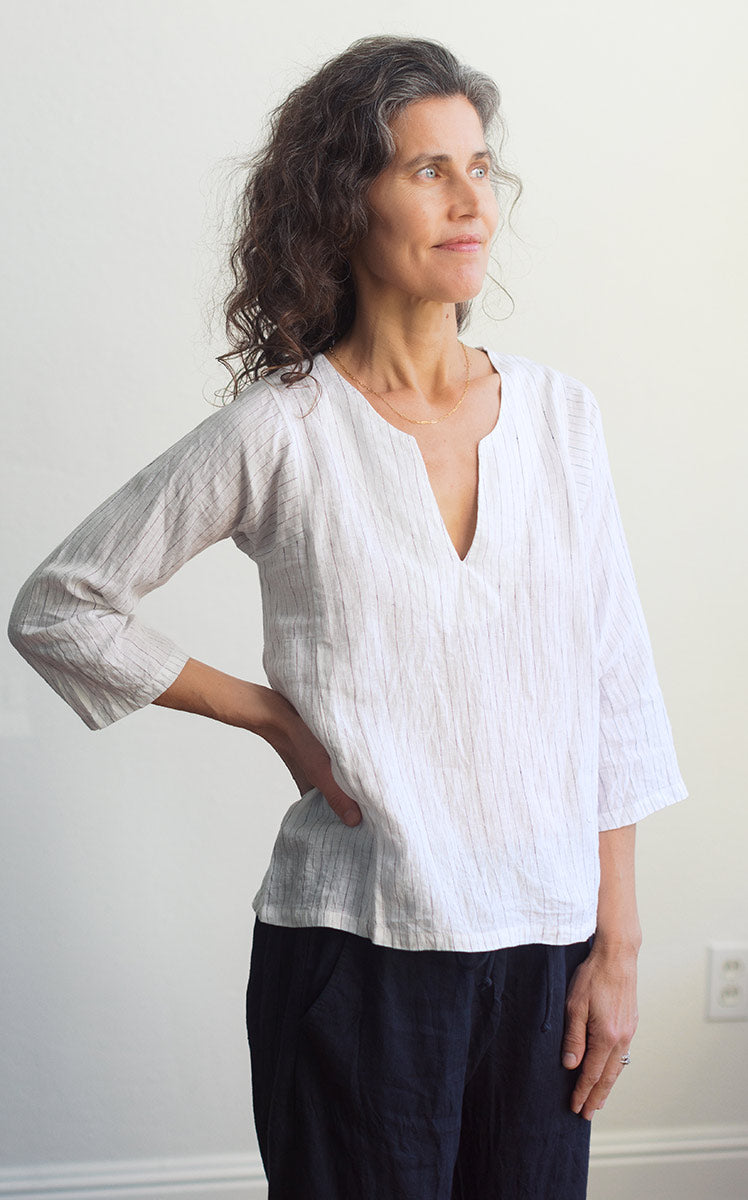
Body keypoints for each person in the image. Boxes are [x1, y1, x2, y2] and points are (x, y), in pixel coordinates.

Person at [8, 33, 688, 1200]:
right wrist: (270, 715)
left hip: (546, 955)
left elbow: (614, 685)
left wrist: (617, 946)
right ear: (344, 200)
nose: (471, 202)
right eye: (429, 170)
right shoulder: (283, 432)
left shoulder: (561, 420)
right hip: (357, 954)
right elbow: (61, 606)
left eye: (480, 167)